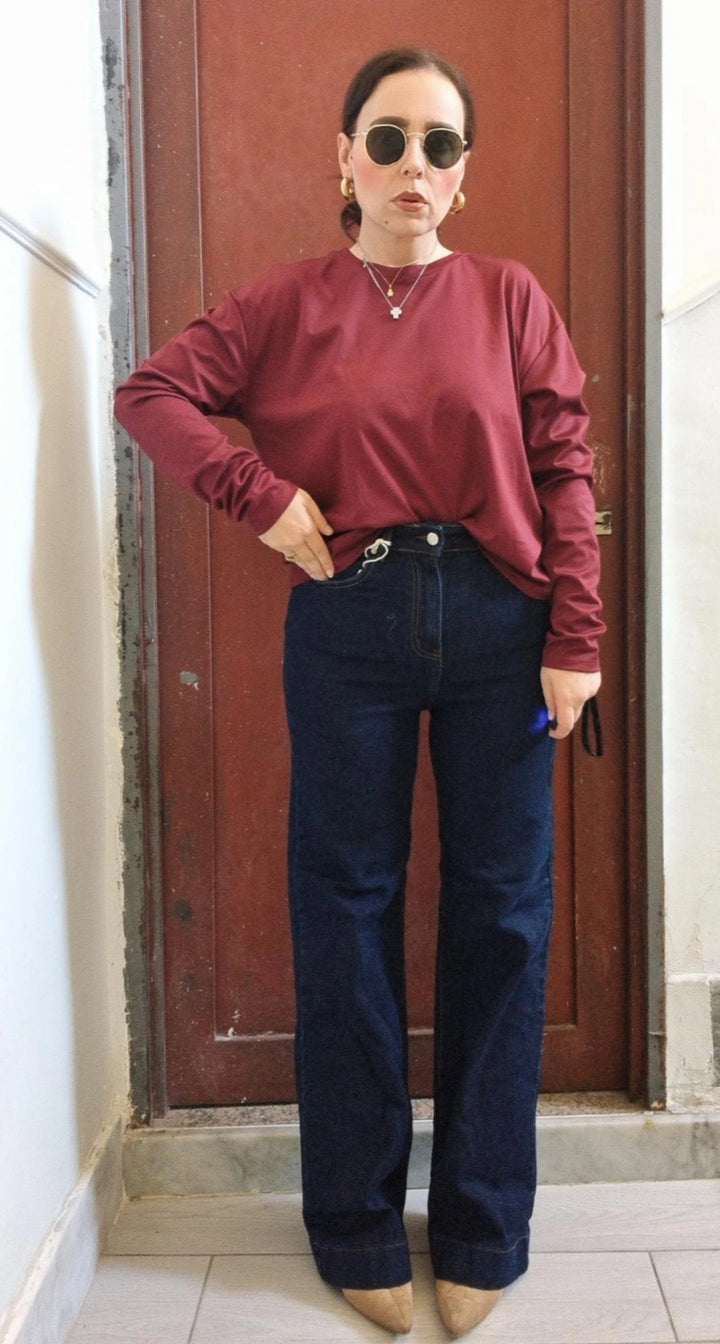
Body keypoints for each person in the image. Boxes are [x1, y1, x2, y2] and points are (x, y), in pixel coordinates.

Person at [115, 46, 603, 1338]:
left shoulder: (508, 296)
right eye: (387, 140)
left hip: (503, 625)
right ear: (344, 157)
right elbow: (150, 394)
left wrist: (578, 633)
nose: (412, 167)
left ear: (464, 171)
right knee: (344, 911)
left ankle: (485, 1223)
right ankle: (355, 1223)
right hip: (349, 620)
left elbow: (563, 465)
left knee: (504, 916)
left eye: (440, 145)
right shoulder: (283, 305)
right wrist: (259, 495)